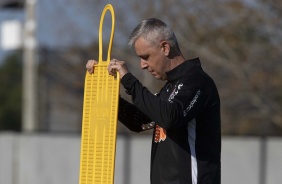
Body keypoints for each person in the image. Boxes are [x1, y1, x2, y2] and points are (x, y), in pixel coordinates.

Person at [86, 18, 221, 184]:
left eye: (146, 56)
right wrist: (105, 91)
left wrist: (129, 80)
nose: (142, 65)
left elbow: (170, 118)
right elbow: (139, 121)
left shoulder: (197, 81)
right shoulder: (169, 89)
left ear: (165, 47)